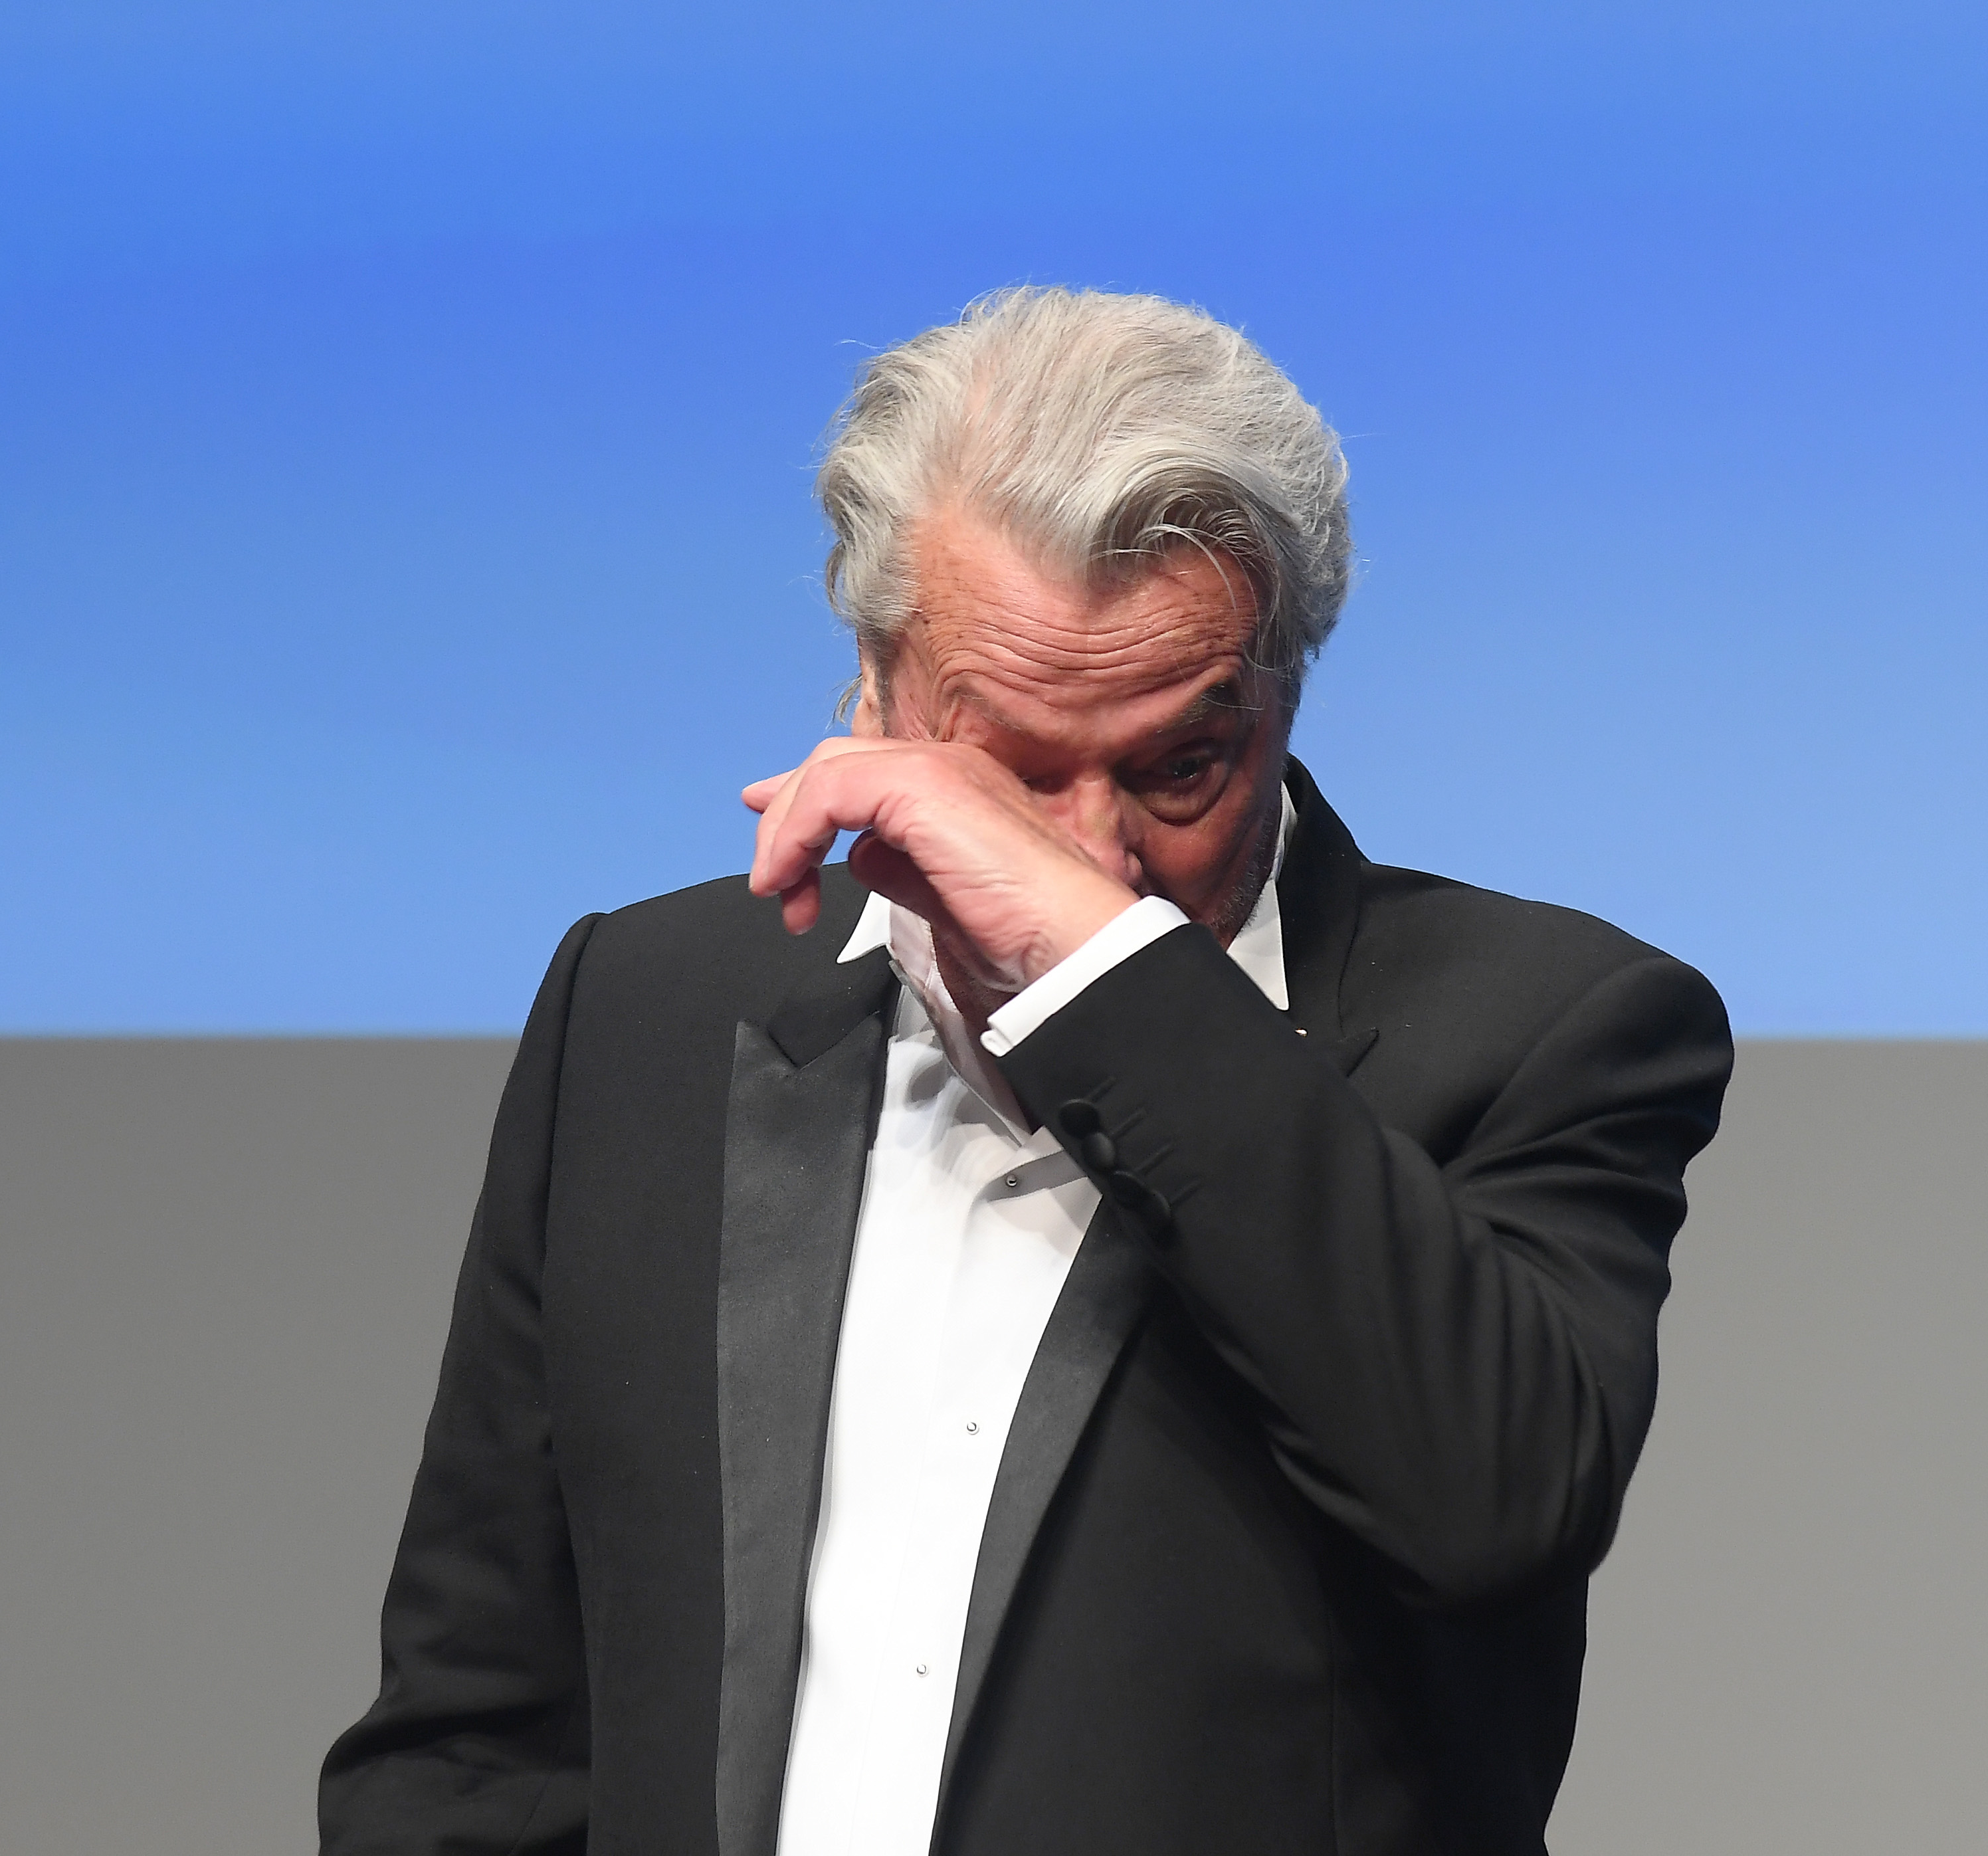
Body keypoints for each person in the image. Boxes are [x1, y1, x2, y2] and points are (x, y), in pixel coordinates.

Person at [318, 287, 1733, 1856]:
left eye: (1179, 766)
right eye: (1008, 766)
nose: (1093, 855)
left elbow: (1490, 1503)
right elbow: (482, 1724)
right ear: (872, 686)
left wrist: (1105, 974)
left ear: (1283, 695)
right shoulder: (645, 1006)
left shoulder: (1547, 1024)